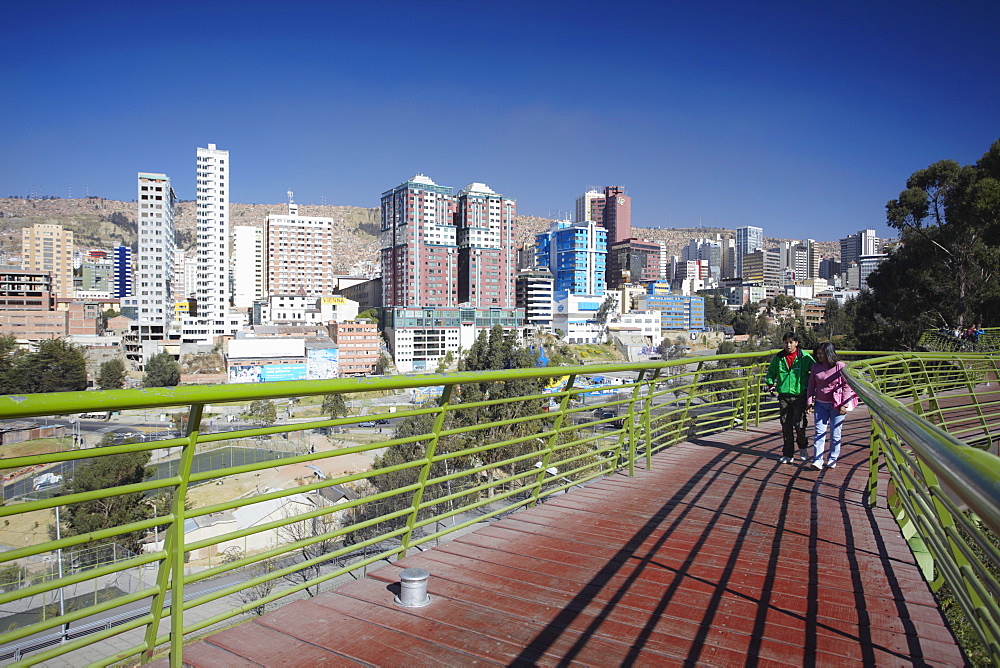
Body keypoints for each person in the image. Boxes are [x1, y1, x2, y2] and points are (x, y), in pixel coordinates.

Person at [764, 332, 815, 464]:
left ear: (796, 343)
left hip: (800, 396)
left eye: (791, 342)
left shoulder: (805, 357)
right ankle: (788, 454)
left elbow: (816, 371)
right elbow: (770, 373)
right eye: (786, 342)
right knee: (786, 426)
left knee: (799, 425)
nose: (788, 345)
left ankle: (803, 446)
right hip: (784, 396)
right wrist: (770, 384)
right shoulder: (779, 357)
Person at [806, 342, 858, 470]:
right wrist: (809, 402)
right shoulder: (815, 366)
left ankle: (832, 458)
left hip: (837, 404)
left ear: (828, 353)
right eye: (817, 353)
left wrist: (844, 405)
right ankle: (817, 460)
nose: (818, 355)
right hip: (820, 403)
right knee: (819, 432)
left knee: (835, 433)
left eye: (821, 353)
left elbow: (847, 386)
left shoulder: (840, 366)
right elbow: (812, 384)